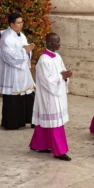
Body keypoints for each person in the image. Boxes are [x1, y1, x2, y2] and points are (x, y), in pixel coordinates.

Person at [30, 33, 72, 161]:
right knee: (55, 123)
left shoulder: (57, 56)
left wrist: (66, 75)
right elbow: (47, 81)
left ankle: (39, 144)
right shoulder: (44, 60)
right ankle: (59, 151)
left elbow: (62, 70)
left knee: (47, 121)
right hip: (49, 96)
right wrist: (62, 77)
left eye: (59, 41)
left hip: (57, 93)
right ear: (49, 43)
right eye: (56, 41)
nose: (59, 44)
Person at [0, 13, 36, 130]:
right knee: (13, 97)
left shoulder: (21, 35)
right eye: (19, 23)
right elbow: (9, 56)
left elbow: (25, 49)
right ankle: (12, 122)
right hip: (12, 72)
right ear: (11, 24)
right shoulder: (7, 38)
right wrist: (25, 51)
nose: (21, 25)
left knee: (28, 93)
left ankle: (28, 119)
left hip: (23, 71)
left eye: (22, 22)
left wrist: (28, 50)